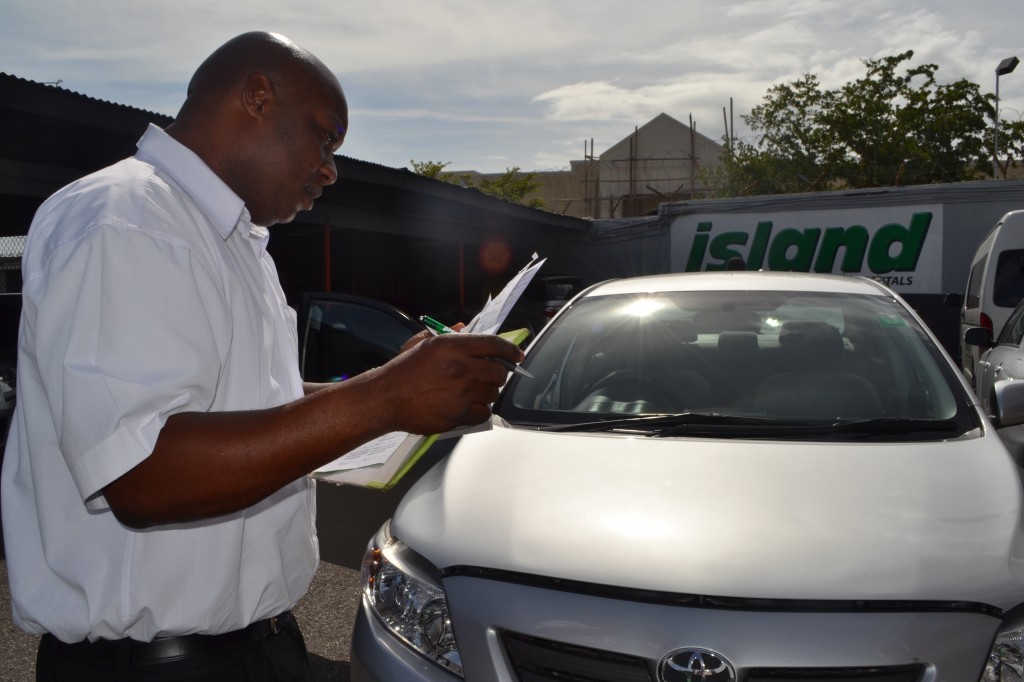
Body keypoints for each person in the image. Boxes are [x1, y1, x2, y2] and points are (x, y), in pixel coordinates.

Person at [0, 31, 523, 681]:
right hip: (158, 666)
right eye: (325, 137)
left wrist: (394, 384)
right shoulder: (127, 219)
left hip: (251, 651)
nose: (331, 167)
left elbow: (249, 409)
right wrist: (385, 397)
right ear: (255, 96)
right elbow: (143, 473)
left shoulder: (233, 241)